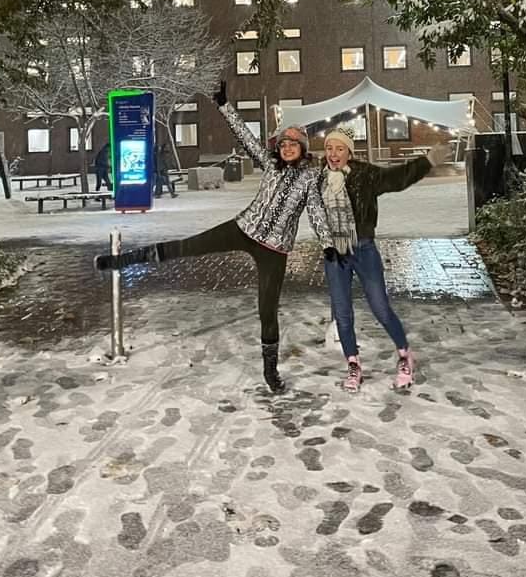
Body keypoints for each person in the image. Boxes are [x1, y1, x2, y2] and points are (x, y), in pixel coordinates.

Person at [94, 81, 334, 393]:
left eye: (294, 144)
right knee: (188, 246)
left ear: (303, 149)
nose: (288, 148)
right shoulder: (270, 166)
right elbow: (246, 137)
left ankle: (270, 370)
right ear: (278, 148)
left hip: (274, 248)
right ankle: (123, 260)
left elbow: (316, 212)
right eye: (284, 144)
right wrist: (224, 105)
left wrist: (327, 244)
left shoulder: (309, 179)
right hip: (243, 228)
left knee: (267, 310)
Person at [318, 125, 451, 392]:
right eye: (329, 148)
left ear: (349, 152)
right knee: (343, 316)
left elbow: (397, 178)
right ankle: (353, 365)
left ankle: (404, 355)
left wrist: (427, 161)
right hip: (335, 254)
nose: (334, 154)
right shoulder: (317, 179)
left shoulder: (365, 175)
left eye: (340, 149)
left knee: (381, 308)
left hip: (364, 249)